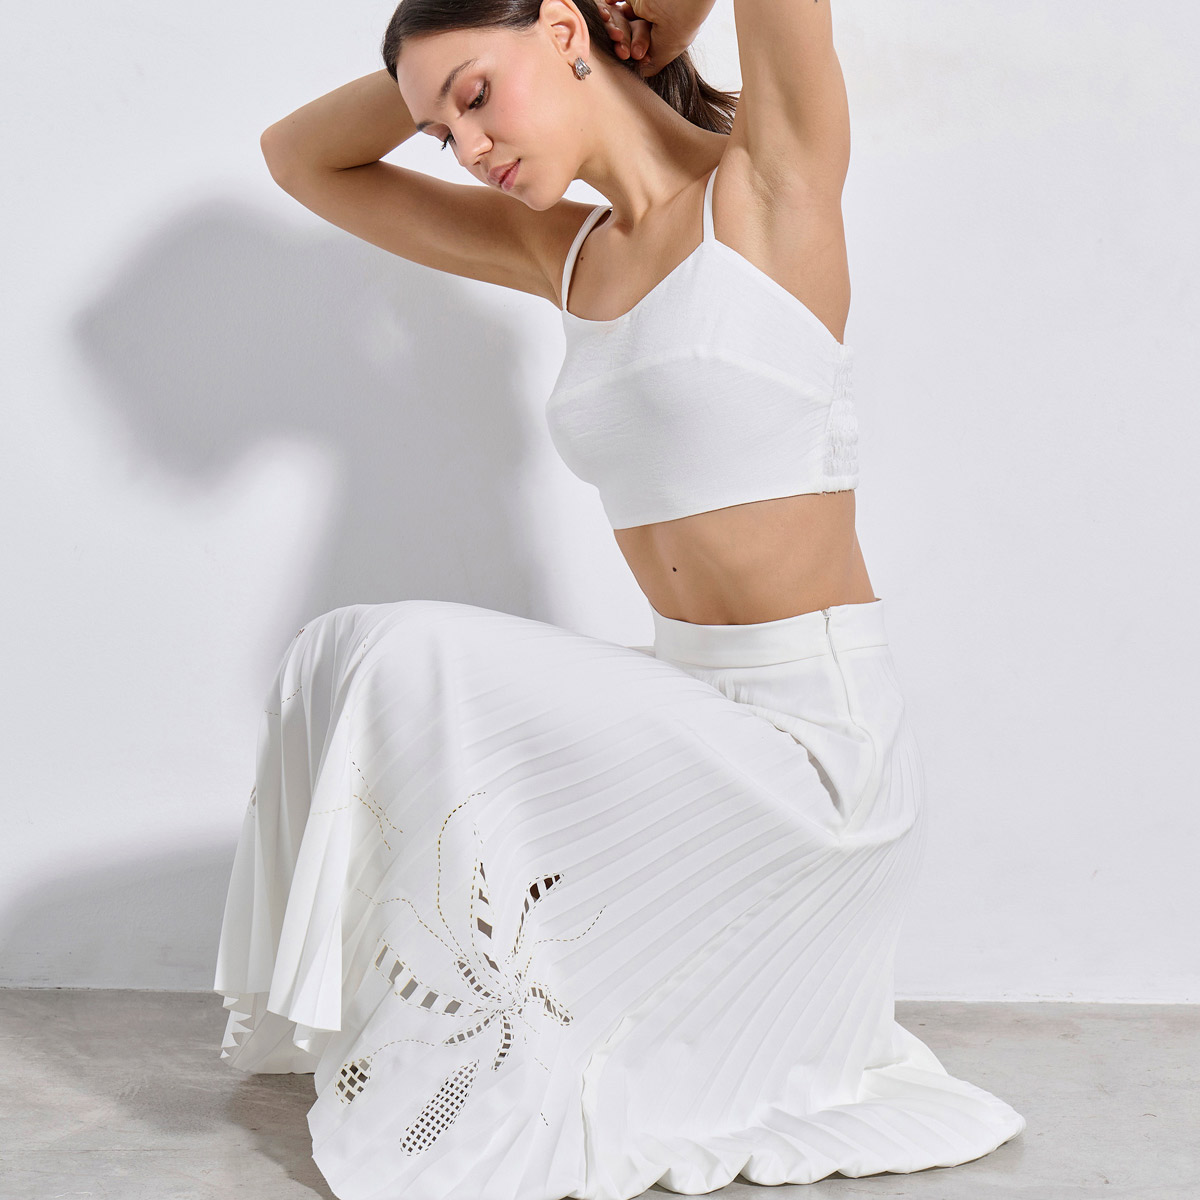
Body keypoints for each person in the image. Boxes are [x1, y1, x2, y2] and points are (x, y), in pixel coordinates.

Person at [212, 3, 1027, 1197]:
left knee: (402, 655)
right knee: (341, 652)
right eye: (440, 133)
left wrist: (634, 8)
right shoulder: (565, 253)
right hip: (692, 724)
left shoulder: (771, 184)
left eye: (476, 98)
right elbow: (299, 160)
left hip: (818, 753)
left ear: (564, 33)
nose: (468, 148)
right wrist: (457, 65)